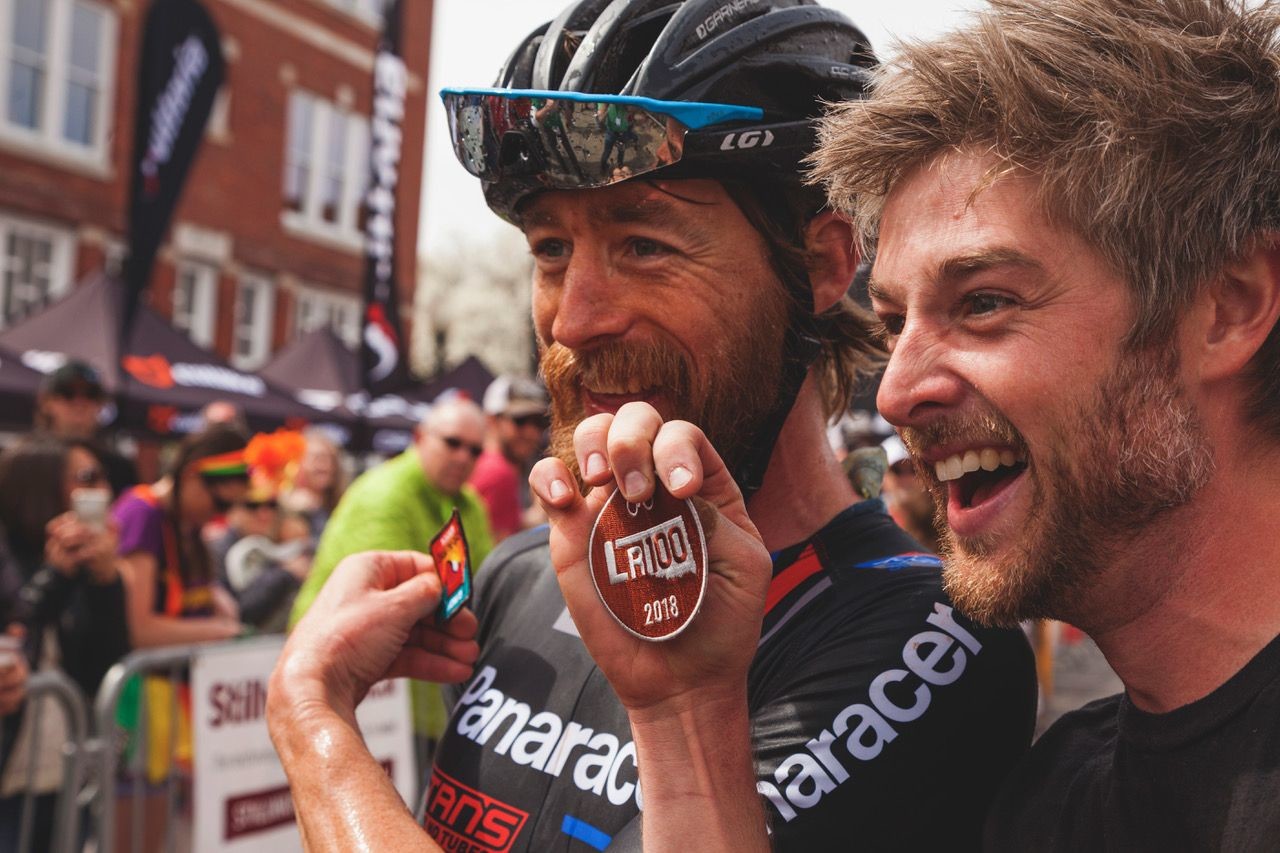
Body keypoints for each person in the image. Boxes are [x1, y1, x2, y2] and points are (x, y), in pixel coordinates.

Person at [270, 2, 1037, 850]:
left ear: (821, 265)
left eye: (643, 244)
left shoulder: (928, 639)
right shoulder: (523, 572)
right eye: (551, 250)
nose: (574, 320)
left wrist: (312, 722)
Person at [807, 0, 1280, 847]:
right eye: (890, 323)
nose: (896, 391)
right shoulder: (1048, 798)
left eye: (984, 303)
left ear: (1227, 307)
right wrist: (682, 711)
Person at [288, 397, 494, 753]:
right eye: (452, 443)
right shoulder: (383, 495)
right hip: (356, 690)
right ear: (419, 437)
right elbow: (387, 600)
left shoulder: (469, 502)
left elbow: (488, 580)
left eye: (475, 450)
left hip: (417, 696)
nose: (463, 457)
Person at [0, 436, 130, 851]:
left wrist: (106, 583)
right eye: (86, 478)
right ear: (41, 486)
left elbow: (104, 661)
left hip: (63, 764)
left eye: (102, 478)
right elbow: (19, 630)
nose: (100, 490)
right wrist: (56, 573)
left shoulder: (86, 563)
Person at [113, 425, 248, 648]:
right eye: (220, 503)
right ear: (190, 477)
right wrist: (219, 631)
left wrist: (215, 596)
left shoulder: (187, 520)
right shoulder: (141, 513)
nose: (222, 515)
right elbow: (139, 629)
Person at [34, 360, 137, 497]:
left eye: (91, 394)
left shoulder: (120, 467)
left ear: (101, 404)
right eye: (68, 393)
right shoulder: (25, 460)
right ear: (46, 402)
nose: (80, 402)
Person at [471, 375, 549, 541]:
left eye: (538, 422)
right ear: (492, 420)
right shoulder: (497, 471)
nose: (531, 432)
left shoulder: (501, 466)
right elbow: (499, 549)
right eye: (520, 421)